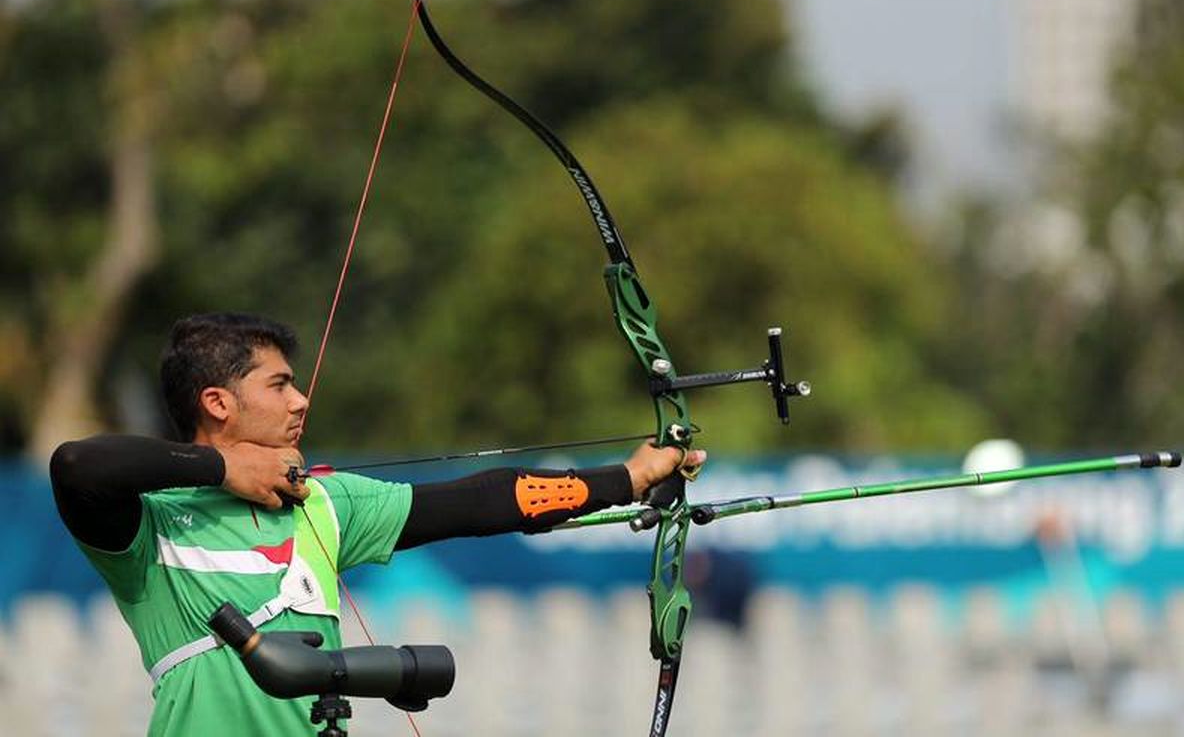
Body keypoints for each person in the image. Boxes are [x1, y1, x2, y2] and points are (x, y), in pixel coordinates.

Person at [50, 312, 702, 736]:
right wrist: (224, 468)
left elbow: (481, 502)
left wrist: (629, 478)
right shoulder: (152, 527)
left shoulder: (326, 503)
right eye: (279, 385)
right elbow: (78, 464)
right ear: (218, 402)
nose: (301, 399)